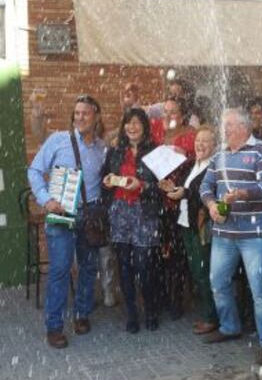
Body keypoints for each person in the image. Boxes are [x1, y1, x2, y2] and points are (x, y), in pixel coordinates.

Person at [199, 107, 262, 366]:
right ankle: (230, 326)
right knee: (218, 281)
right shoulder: (219, 154)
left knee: (259, 288)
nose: (225, 130)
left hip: (253, 233)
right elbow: (205, 186)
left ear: (244, 127)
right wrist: (211, 205)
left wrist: (242, 194)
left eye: (230, 125)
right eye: (225, 125)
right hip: (223, 233)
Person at [28, 95, 107, 349]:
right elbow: (34, 170)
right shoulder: (57, 140)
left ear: (96, 116)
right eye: (77, 113)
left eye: (86, 113)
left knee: (88, 268)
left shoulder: (101, 148)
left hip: (90, 214)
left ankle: (82, 314)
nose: (80, 117)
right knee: (60, 270)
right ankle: (54, 327)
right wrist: (46, 199)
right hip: (61, 213)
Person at [102, 108, 162, 333]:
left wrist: (144, 186)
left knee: (144, 265)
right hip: (119, 212)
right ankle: (132, 314)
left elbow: (163, 187)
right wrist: (107, 180)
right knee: (124, 266)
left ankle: (151, 309)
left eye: (137, 123)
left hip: (144, 212)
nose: (132, 127)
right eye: (128, 123)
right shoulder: (115, 151)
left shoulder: (155, 152)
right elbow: (104, 177)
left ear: (145, 127)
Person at [166, 125, 218, 334]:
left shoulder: (213, 168)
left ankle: (211, 317)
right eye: (198, 140)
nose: (200, 144)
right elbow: (183, 188)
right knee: (195, 271)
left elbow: (207, 195)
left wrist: (184, 193)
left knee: (203, 271)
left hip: (201, 225)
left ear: (214, 146)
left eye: (206, 141)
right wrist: (170, 188)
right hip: (185, 223)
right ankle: (207, 311)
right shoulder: (190, 165)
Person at [156, 97, 196, 320]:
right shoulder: (156, 136)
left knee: (178, 254)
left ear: (181, 116)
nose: (168, 117)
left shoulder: (190, 136)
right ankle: (162, 295)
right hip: (159, 203)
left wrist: (185, 156)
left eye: (173, 113)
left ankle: (177, 298)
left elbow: (198, 165)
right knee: (161, 252)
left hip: (180, 202)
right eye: (165, 112)